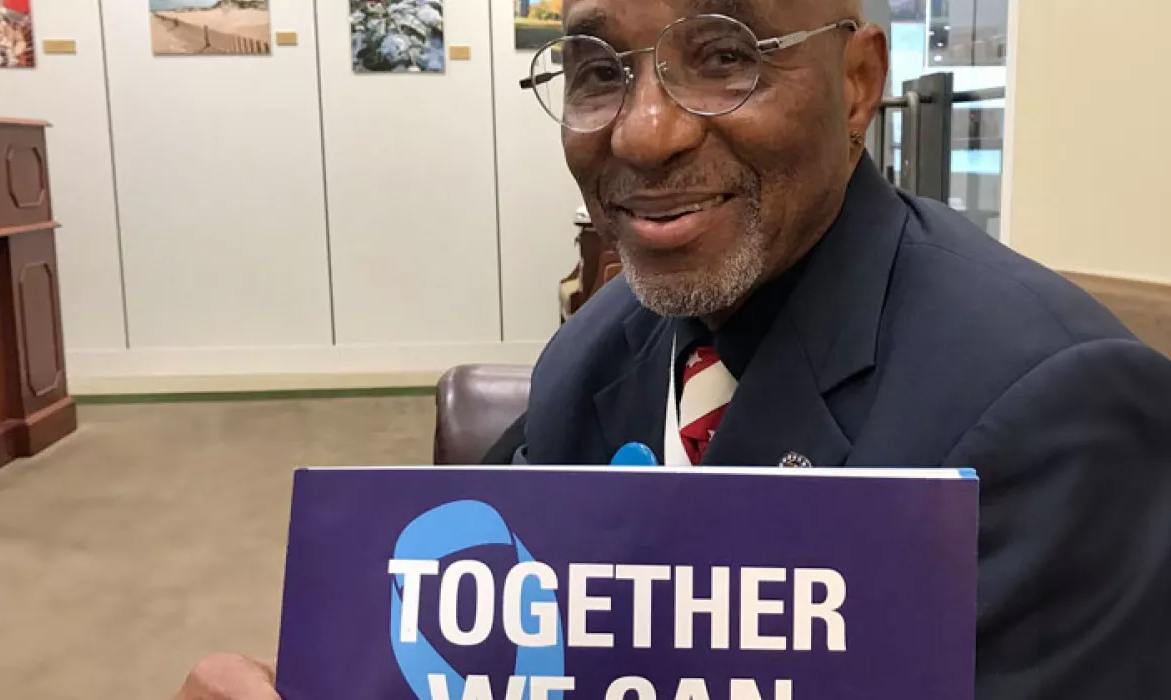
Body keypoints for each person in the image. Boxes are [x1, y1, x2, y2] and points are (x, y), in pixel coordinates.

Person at [174, 0, 1171, 697]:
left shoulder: (1058, 408)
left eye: (725, 54)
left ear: (858, 81)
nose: (643, 134)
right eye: (597, 72)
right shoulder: (598, 347)